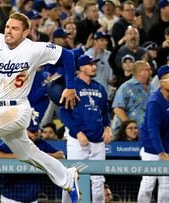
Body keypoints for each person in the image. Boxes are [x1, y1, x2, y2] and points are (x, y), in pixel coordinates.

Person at [0, 12, 80, 203]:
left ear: (26, 32)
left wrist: (70, 87)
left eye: (15, 28)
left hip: (17, 109)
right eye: (8, 27)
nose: (9, 31)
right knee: (27, 153)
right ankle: (67, 177)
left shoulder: (34, 49)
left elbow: (68, 56)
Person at [59, 54, 112, 203]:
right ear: (81, 67)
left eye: (94, 64)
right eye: (90, 64)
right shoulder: (72, 86)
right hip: (78, 140)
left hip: (98, 141)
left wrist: (108, 128)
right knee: (72, 177)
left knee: (98, 180)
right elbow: (63, 112)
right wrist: (78, 132)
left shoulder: (100, 87)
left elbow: (105, 111)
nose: (94, 67)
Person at [0, 121, 65, 203]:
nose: (34, 134)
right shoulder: (14, 141)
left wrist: (39, 156)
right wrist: (18, 156)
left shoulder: (40, 143)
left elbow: (61, 155)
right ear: (24, 131)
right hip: (10, 197)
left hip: (32, 198)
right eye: (32, 131)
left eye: (36, 131)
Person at [137, 65, 169, 203]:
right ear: (161, 82)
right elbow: (152, 129)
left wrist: (167, 151)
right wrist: (160, 152)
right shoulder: (154, 101)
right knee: (148, 183)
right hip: (151, 147)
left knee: (167, 186)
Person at [111, 60, 152, 136]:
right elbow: (117, 108)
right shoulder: (126, 87)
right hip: (125, 135)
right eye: (147, 69)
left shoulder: (151, 88)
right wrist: (130, 127)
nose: (150, 71)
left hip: (144, 132)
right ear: (139, 72)